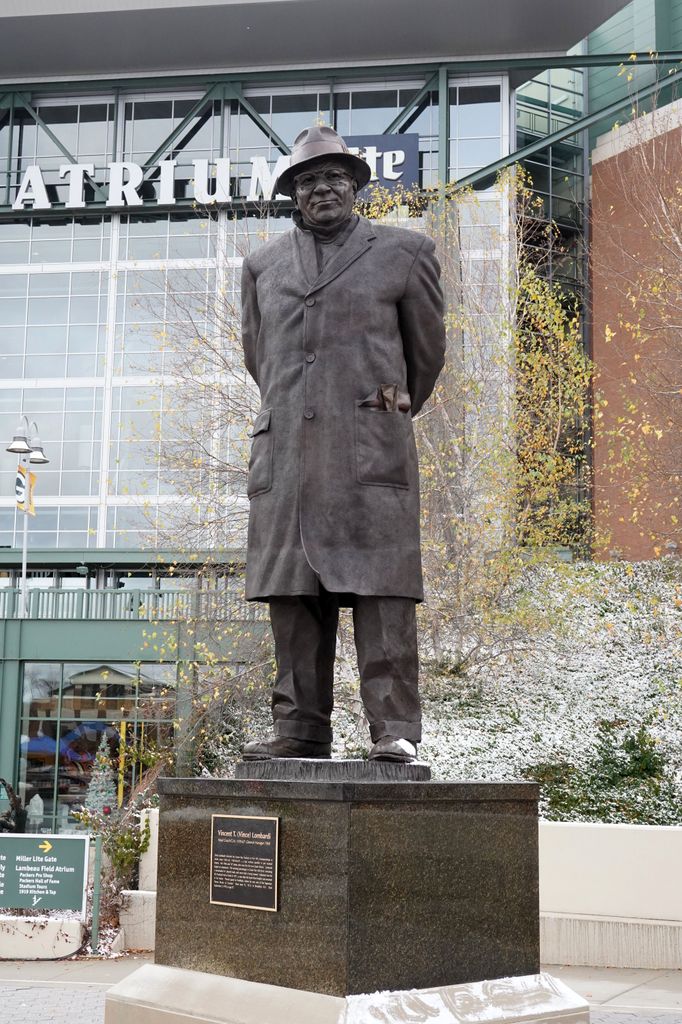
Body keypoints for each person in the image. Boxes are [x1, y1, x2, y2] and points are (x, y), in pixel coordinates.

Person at [240, 125, 445, 763]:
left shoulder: (406, 253)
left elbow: (425, 357)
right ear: (293, 195)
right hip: (289, 462)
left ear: (355, 186)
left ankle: (395, 733)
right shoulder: (262, 266)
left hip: (369, 457)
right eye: (306, 181)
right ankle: (298, 730)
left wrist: (374, 414)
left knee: (384, 595)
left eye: (332, 178)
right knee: (294, 599)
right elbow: (260, 359)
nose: (320, 189)